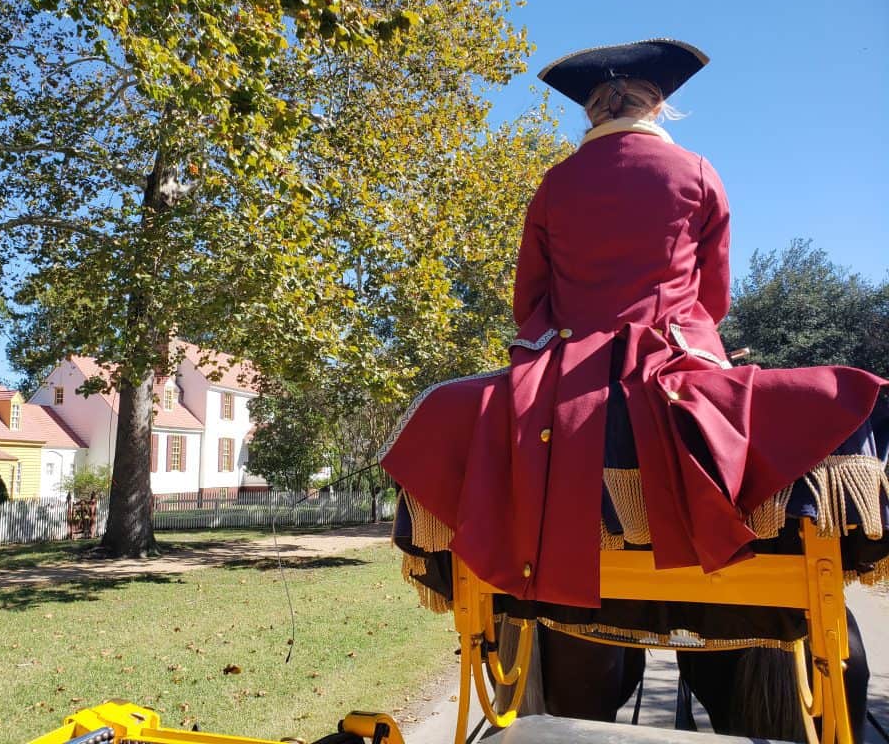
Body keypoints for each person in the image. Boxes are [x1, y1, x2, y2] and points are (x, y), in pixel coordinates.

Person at [381, 39, 889, 738]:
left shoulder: (556, 183)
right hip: (676, 356)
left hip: (564, 375)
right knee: (823, 405)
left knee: (449, 410)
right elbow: (711, 296)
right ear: (660, 106)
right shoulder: (696, 171)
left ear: (592, 112)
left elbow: (530, 299)